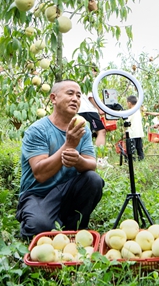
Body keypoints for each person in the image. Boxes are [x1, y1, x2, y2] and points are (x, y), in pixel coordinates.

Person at [16, 80, 105, 239]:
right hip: (38, 195)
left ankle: (74, 230)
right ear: (53, 98)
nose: (75, 99)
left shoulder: (82, 128)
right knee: (40, 228)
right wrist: (69, 144)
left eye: (78, 96)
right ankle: (42, 218)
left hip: (66, 192)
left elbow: (91, 164)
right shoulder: (37, 130)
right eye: (70, 93)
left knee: (93, 180)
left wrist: (78, 160)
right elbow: (40, 174)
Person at [126, 95, 145, 161]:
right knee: (139, 148)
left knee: (131, 150)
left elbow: (127, 121)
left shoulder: (130, 111)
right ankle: (141, 160)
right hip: (139, 133)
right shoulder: (138, 111)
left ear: (129, 103)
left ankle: (132, 161)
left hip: (132, 133)